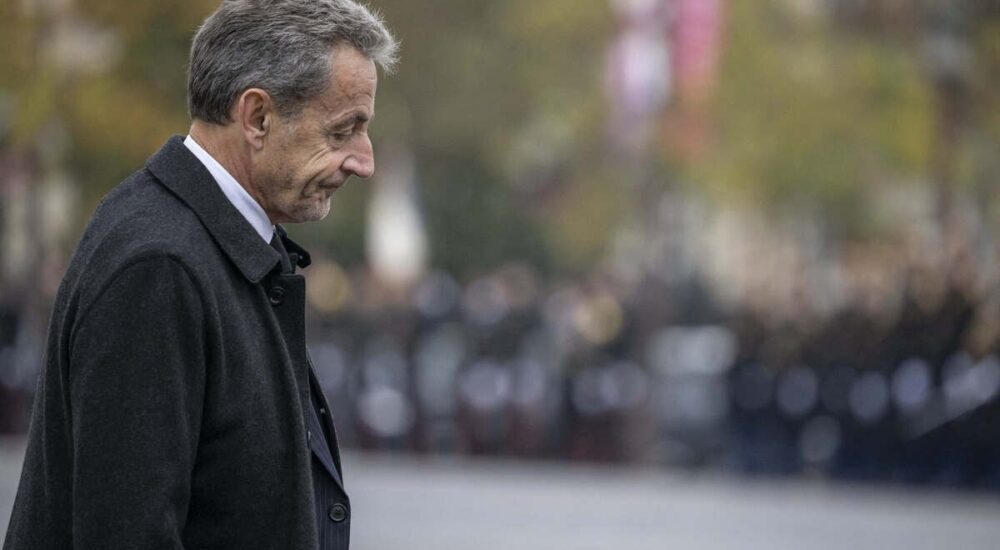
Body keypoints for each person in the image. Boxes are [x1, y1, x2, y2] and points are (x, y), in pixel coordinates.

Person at [3, 1, 397, 548]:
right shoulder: (160, 266)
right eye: (342, 131)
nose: (363, 161)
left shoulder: (194, 247)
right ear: (257, 117)